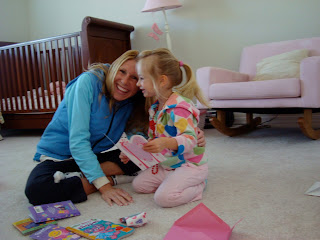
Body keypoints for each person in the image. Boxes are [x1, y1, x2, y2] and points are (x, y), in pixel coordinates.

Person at [25, 49, 206, 207]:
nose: (126, 81)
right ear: (114, 67)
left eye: (136, 78)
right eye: (122, 71)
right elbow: (78, 142)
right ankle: (102, 178)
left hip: (92, 155)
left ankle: (87, 175)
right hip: (58, 157)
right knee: (37, 190)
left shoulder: (135, 98)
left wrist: (191, 134)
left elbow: (145, 138)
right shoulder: (87, 83)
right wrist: (104, 187)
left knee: (138, 158)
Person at [122, 48, 210, 208]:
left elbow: (191, 140)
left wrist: (165, 143)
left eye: (142, 78)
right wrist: (133, 153)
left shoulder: (179, 108)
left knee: (163, 198)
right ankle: (174, 179)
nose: (138, 83)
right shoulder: (155, 108)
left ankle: (199, 185)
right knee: (139, 185)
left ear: (162, 81)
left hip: (188, 165)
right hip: (169, 164)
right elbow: (153, 140)